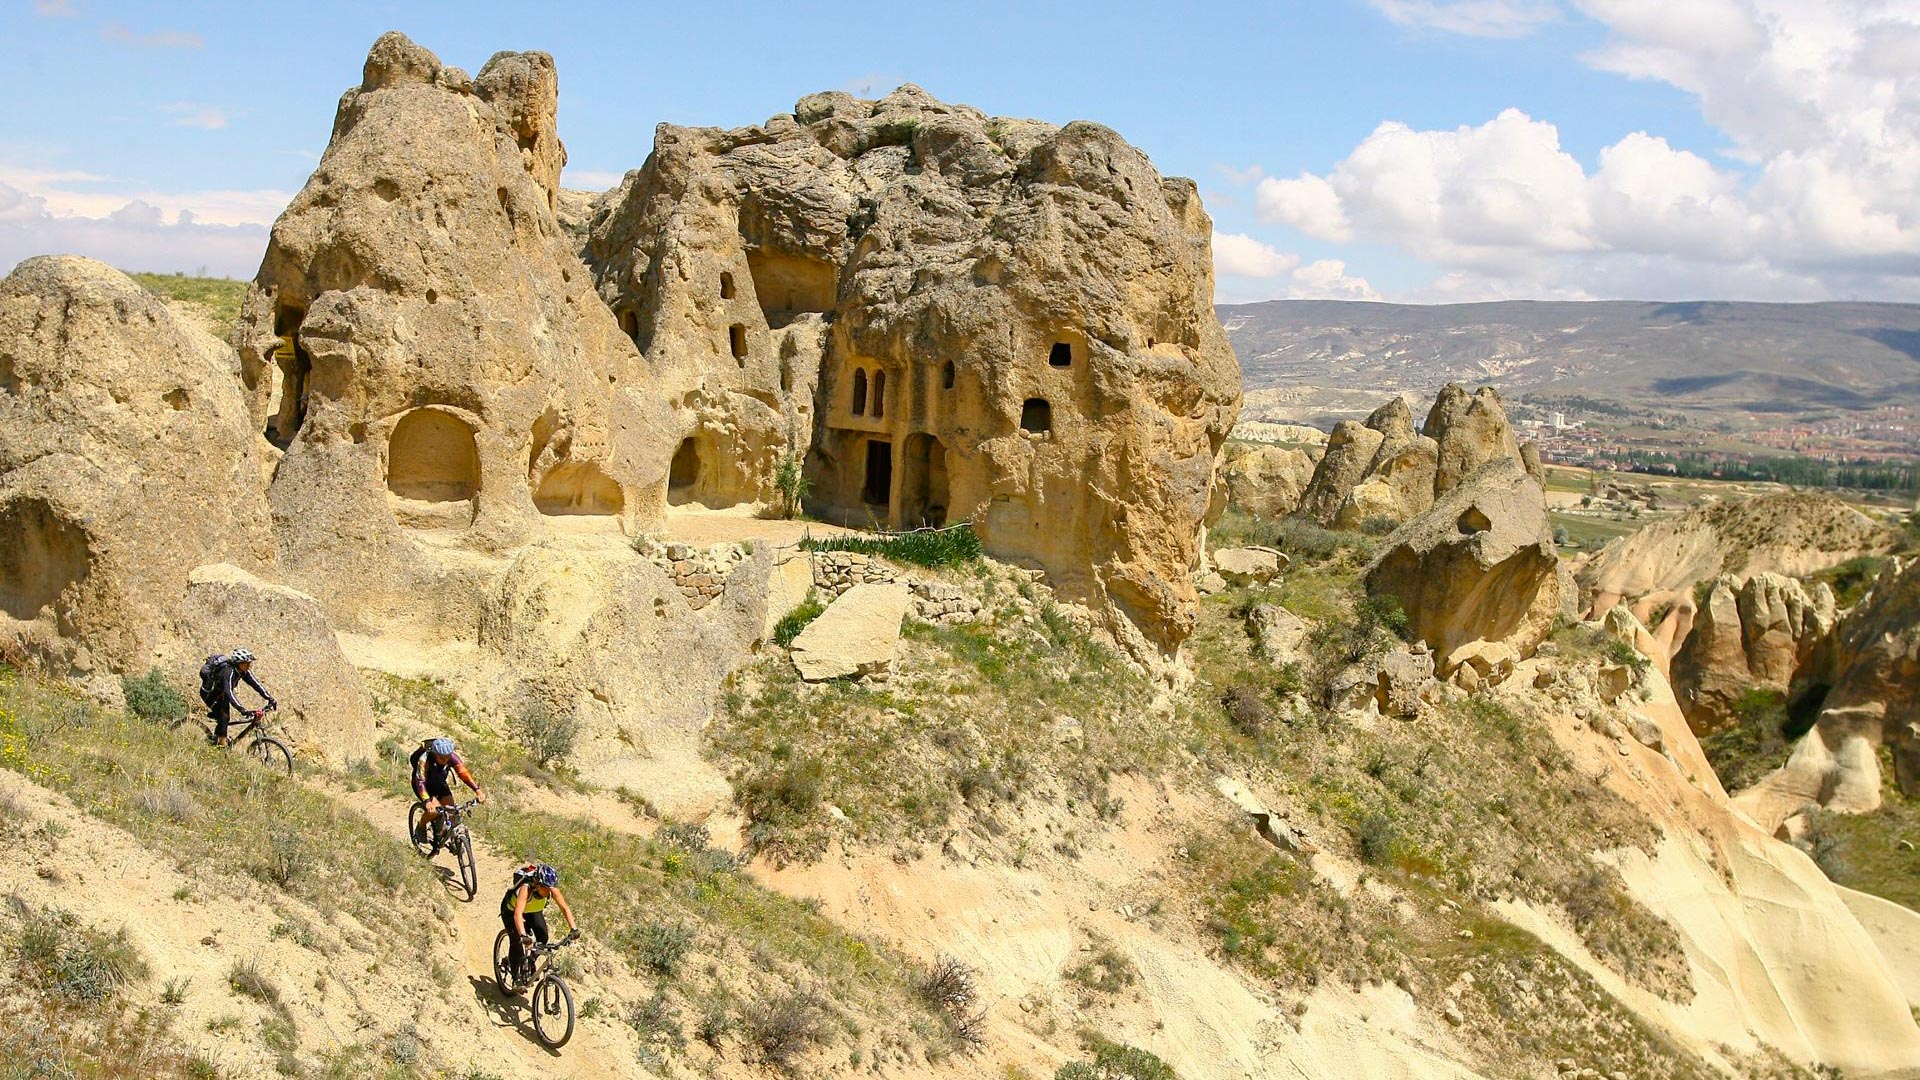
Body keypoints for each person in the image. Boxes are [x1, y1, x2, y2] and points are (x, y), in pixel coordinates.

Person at [500, 862, 578, 990]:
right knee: (517, 942)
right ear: (537, 885)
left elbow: (564, 908)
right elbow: (518, 915)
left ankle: (529, 961)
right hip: (511, 912)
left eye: (551, 888)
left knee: (543, 937)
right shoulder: (526, 889)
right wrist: (523, 936)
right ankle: (516, 978)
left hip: (533, 911)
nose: (549, 891)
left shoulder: (551, 888)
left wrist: (574, 929)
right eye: (546, 888)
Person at [410, 737, 486, 852]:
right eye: (442, 757)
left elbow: (463, 773)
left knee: (452, 810)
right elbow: (420, 781)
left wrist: (477, 790)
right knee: (434, 810)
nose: (445, 760)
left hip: (439, 783)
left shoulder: (452, 757)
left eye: (447, 757)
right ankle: (421, 826)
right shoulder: (424, 759)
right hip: (423, 785)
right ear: (435, 754)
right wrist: (427, 801)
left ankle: (452, 838)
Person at [197, 648, 276, 746]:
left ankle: (218, 740)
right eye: (247, 663)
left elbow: (256, 684)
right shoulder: (228, 672)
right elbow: (229, 692)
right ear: (240, 663)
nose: (249, 665)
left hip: (222, 696)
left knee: (224, 719)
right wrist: (242, 709)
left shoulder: (243, 671)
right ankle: (220, 747)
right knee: (224, 717)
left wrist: (269, 698)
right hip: (210, 695)